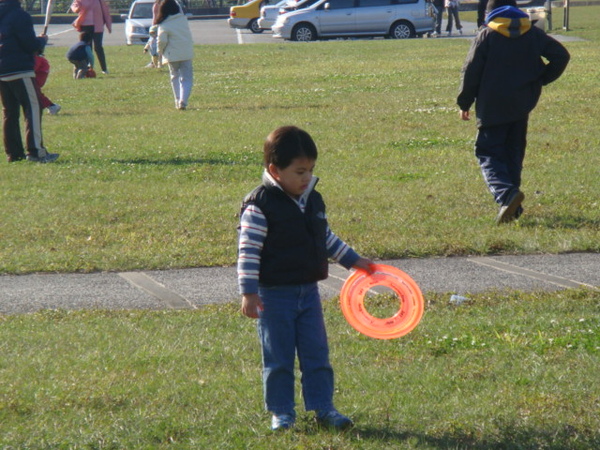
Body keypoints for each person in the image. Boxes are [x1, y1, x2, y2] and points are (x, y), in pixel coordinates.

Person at [237, 125, 374, 431]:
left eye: (311, 170)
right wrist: (249, 293)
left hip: (308, 294)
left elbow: (324, 237)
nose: (307, 178)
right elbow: (248, 253)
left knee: (317, 354)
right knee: (278, 357)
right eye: (299, 171)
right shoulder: (260, 206)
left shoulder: (312, 199)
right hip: (274, 296)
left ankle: (324, 408)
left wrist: (353, 260)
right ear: (275, 170)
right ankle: (282, 412)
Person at [457, 0, 570, 224]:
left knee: (487, 153)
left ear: (490, 13)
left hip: (492, 105)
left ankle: (506, 194)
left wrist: (464, 102)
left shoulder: (487, 35)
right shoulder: (533, 34)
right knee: (513, 154)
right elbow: (561, 56)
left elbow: (471, 70)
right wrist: (539, 80)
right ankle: (513, 209)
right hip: (521, 104)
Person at [0, 0, 58, 163]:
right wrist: (41, 42)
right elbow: (29, 44)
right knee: (33, 107)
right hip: (19, 68)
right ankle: (36, 152)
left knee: (9, 112)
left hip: (2, 69)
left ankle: (13, 153)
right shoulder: (20, 15)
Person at [156, 0, 194, 110]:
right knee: (187, 78)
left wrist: (160, 52)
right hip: (186, 53)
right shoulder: (183, 20)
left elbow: (161, 41)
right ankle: (183, 101)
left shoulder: (164, 24)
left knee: (175, 77)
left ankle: (177, 100)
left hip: (172, 55)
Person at [71, 0, 112, 74]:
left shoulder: (99, 1)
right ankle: (86, 68)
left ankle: (104, 69)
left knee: (98, 47)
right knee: (87, 48)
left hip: (98, 26)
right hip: (85, 26)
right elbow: (74, 7)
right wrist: (77, 8)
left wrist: (108, 25)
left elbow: (106, 12)